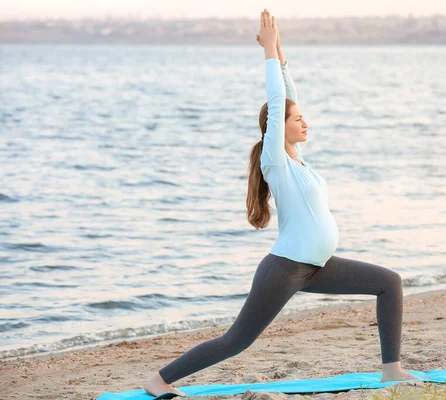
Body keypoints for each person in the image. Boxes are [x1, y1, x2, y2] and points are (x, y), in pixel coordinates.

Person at [144, 9, 420, 397]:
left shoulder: (299, 161)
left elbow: (287, 96)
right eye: (298, 119)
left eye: (304, 117)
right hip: (286, 269)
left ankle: (391, 369)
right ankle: (158, 381)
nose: (306, 123)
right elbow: (278, 100)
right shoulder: (275, 160)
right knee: (237, 341)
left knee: (389, 283)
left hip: (318, 266)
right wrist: (269, 53)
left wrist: (282, 54)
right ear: (279, 126)